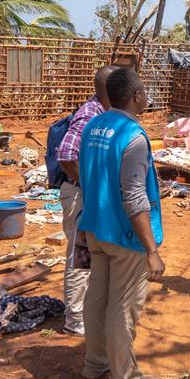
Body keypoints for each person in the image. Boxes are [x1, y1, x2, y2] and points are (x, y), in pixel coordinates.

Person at [77, 67, 166, 379]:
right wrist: (152, 251)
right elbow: (135, 198)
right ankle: (123, 378)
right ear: (135, 96)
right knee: (123, 305)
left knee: (97, 296)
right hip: (125, 235)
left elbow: (88, 176)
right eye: (142, 90)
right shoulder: (134, 137)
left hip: (96, 227)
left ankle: (94, 363)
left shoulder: (93, 126)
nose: (145, 95)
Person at [56, 65, 117, 335]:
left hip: (86, 194)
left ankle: (84, 310)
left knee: (90, 255)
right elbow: (67, 155)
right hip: (80, 194)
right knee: (80, 257)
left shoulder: (102, 113)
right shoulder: (89, 115)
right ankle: (75, 318)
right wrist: (88, 184)